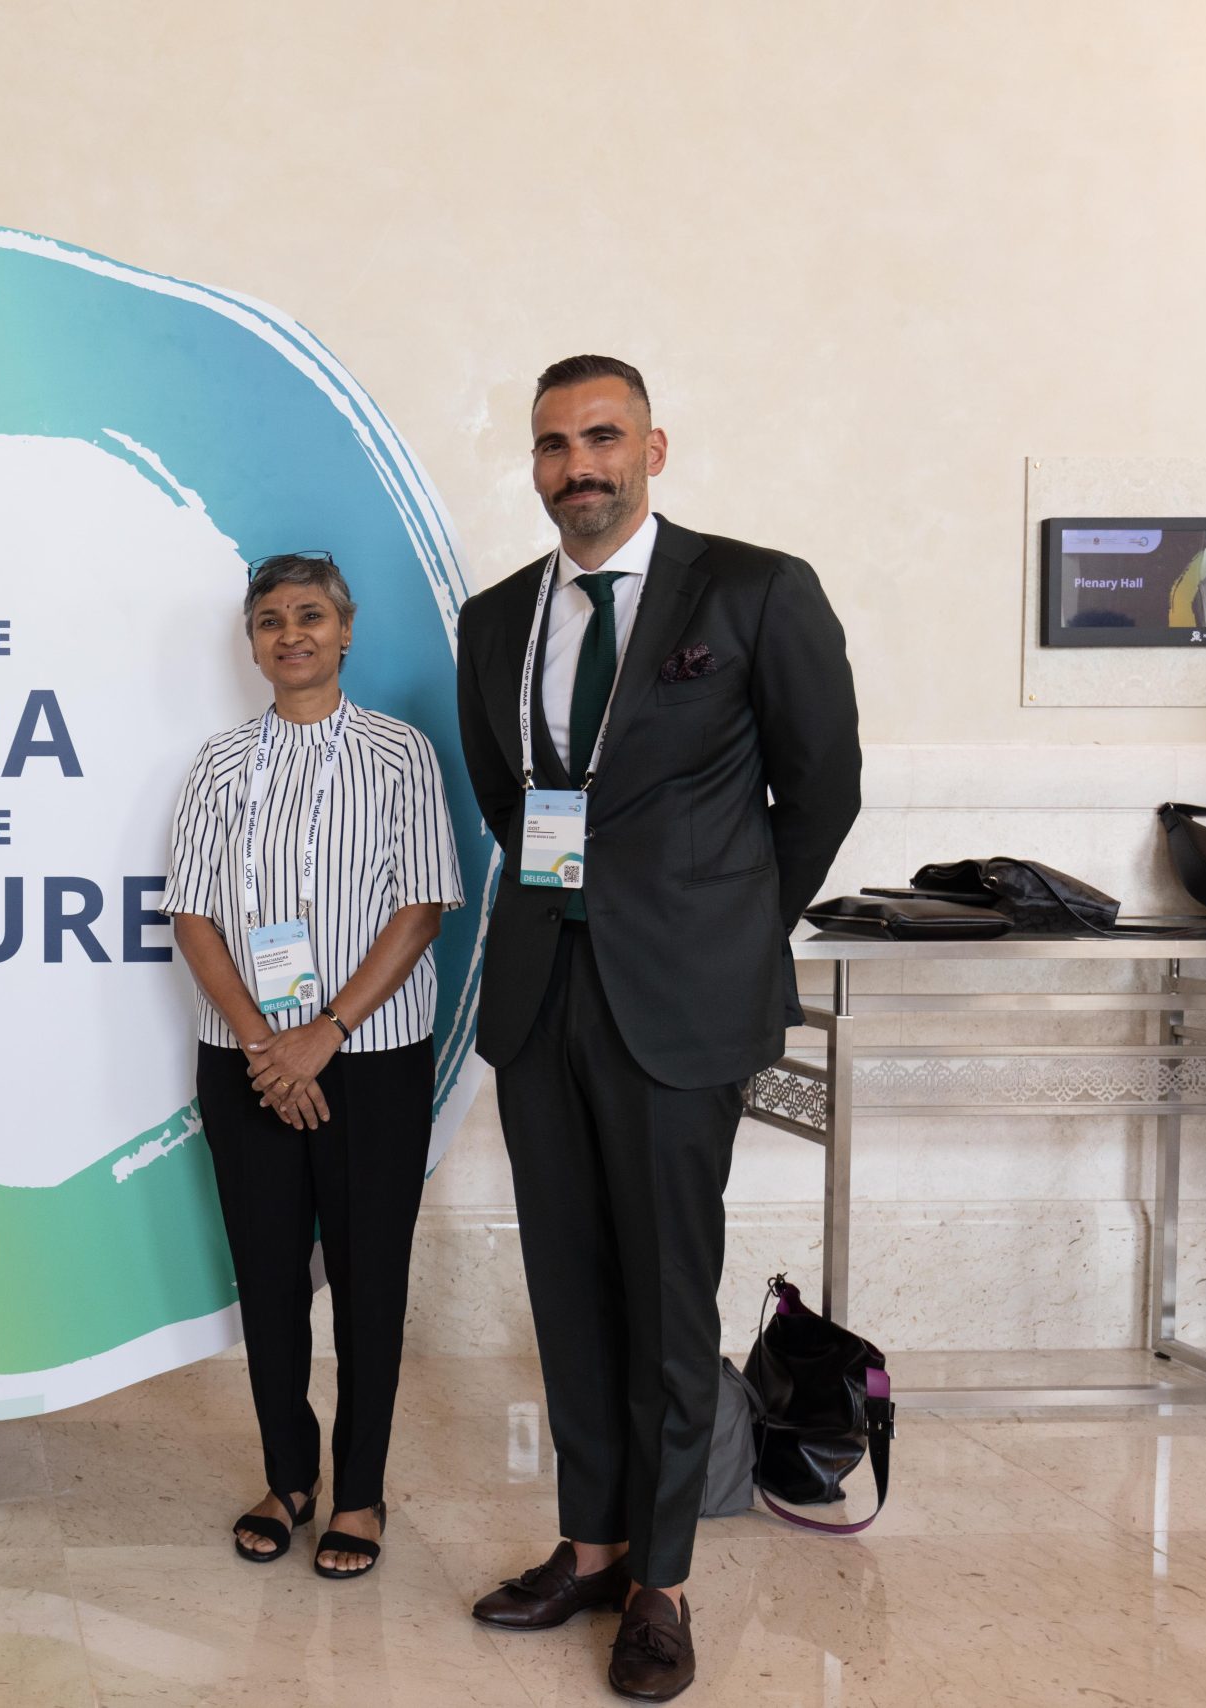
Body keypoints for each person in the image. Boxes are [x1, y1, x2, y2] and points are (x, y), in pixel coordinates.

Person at [453, 356, 860, 1701]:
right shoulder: (496, 619)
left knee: (669, 1301)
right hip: (541, 994)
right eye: (556, 445)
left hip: (680, 1005)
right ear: (534, 466)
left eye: (605, 437)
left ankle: (664, 1580)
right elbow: (509, 801)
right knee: (568, 1292)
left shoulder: (752, 589)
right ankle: (589, 1543)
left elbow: (821, 786)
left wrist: (728, 923)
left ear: (656, 447)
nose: (581, 464)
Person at [159, 551, 463, 1581]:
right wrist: (262, 1042)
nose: (289, 633)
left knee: (370, 1280)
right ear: (250, 641)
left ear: (345, 628)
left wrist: (322, 1032)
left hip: (367, 1058)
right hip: (244, 1064)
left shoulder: (396, 754)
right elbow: (192, 915)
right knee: (269, 1276)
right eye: (269, 620)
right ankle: (288, 1477)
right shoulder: (216, 764)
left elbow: (420, 906)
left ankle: (361, 1491)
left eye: (309, 615)